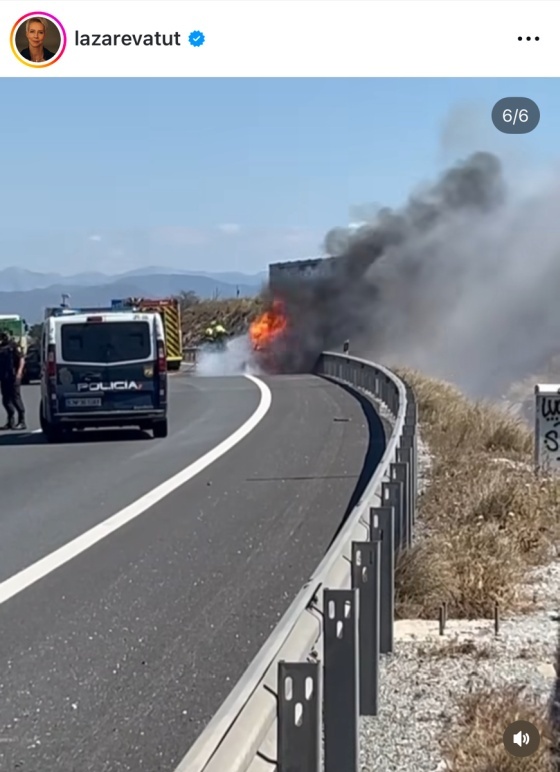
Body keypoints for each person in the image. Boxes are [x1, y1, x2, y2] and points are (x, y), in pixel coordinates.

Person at [0, 330, 26, 430]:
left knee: (15, 398)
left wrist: (19, 372)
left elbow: (21, 359)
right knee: (6, 400)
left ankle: (22, 422)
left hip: (13, 376)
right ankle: (10, 422)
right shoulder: (1, 348)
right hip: (4, 377)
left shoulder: (13, 346)